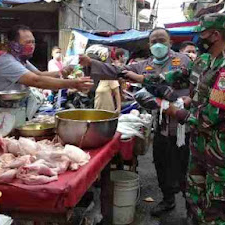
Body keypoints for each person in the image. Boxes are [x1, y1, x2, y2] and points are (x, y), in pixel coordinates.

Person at [129, 13, 225, 224]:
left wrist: (173, 110)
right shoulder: (204, 60)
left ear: (215, 35)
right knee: (195, 192)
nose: (200, 39)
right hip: (199, 142)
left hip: (218, 145)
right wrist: (142, 78)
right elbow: (178, 76)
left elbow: (209, 117)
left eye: (203, 34)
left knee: (217, 200)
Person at [79, 27, 191, 217]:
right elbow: (118, 71)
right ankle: (168, 200)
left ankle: (191, 207)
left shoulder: (183, 60)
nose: (158, 44)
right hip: (160, 125)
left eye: (162, 40)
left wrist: (187, 100)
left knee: (184, 167)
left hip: (182, 126)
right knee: (161, 163)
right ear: (148, 44)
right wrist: (92, 63)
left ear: (170, 42)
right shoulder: (143, 65)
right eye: (153, 41)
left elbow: (193, 85)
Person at [0, 25, 93, 124]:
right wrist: (73, 83)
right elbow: (37, 81)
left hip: (4, 117)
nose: (32, 46)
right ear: (12, 44)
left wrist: (62, 71)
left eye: (33, 42)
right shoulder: (7, 62)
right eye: (27, 42)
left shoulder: (21, 61)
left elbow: (40, 74)